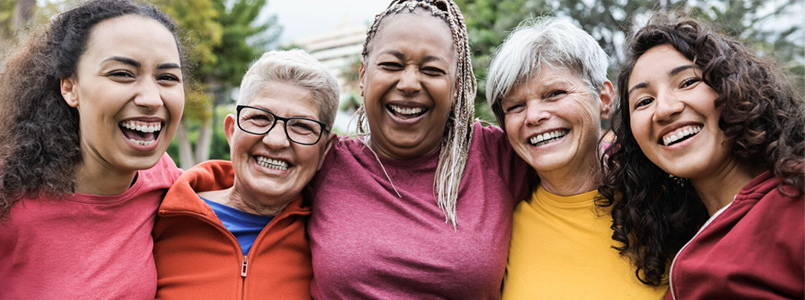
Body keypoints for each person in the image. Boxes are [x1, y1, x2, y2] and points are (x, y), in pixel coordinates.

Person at [0, 0, 184, 298]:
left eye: (167, 77)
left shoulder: (171, 185)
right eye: (122, 74)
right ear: (69, 87)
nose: (152, 98)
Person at [306, 0, 530, 298]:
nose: (410, 83)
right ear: (363, 76)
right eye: (391, 65)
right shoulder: (321, 163)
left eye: (432, 70)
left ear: (455, 87)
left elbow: (589, 177)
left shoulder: (499, 157)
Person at [602, 14, 804, 299]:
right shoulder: (674, 241)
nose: (664, 109)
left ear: (734, 87)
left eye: (687, 82)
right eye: (644, 101)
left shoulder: (795, 203)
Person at [486, 17, 667, 299]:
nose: (534, 117)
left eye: (554, 94)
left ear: (604, 99)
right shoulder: (499, 228)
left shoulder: (670, 204)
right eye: (516, 106)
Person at [153, 49, 338, 299]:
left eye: (302, 126)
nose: (275, 141)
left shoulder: (333, 248)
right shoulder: (156, 214)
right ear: (231, 132)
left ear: (324, 152)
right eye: (260, 118)